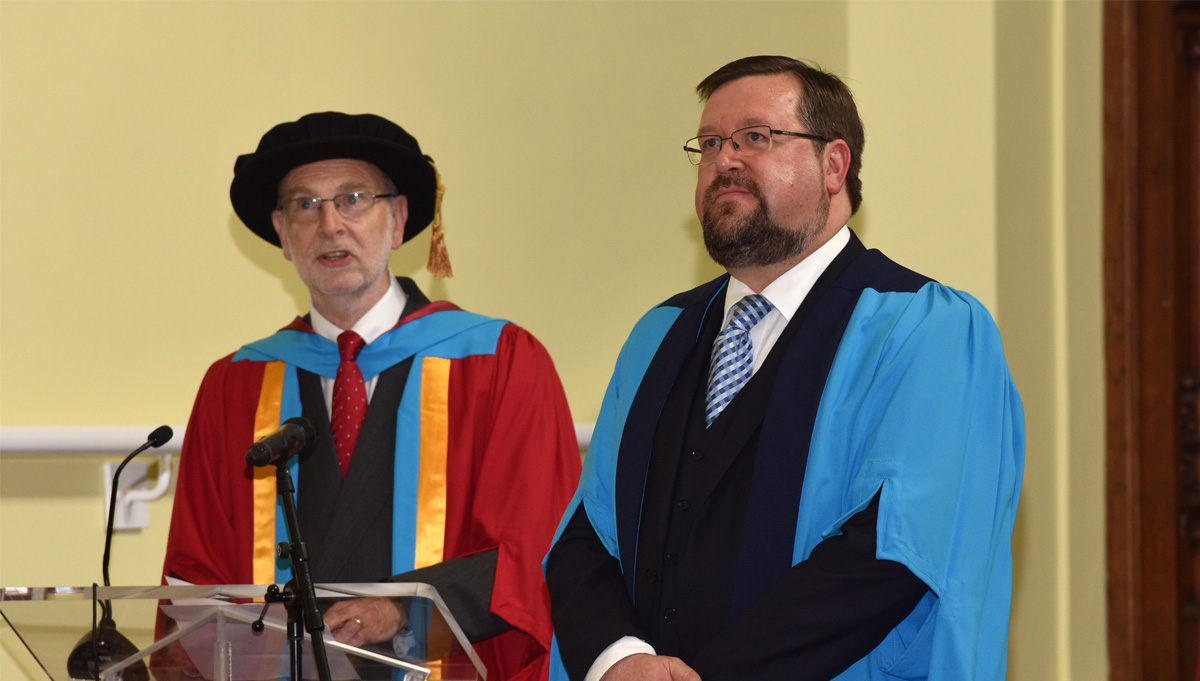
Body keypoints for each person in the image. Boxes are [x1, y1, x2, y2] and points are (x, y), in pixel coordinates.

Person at [544, 56, 1025, 681]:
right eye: (710, 143)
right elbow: (587, 536)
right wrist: (620, 659)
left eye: (755, 137)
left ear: (834, 165)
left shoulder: (925, 329)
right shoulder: (659, 336)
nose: (725, 160)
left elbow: (891, 557)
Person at [163, 111, 582, 681]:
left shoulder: (499, 362)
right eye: (305, 205)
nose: (330, 224)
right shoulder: (234, 385)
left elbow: (537, 541)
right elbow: (195, 569)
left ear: (399, 218)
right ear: (283, 235)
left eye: (353, 198)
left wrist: (404, 608)